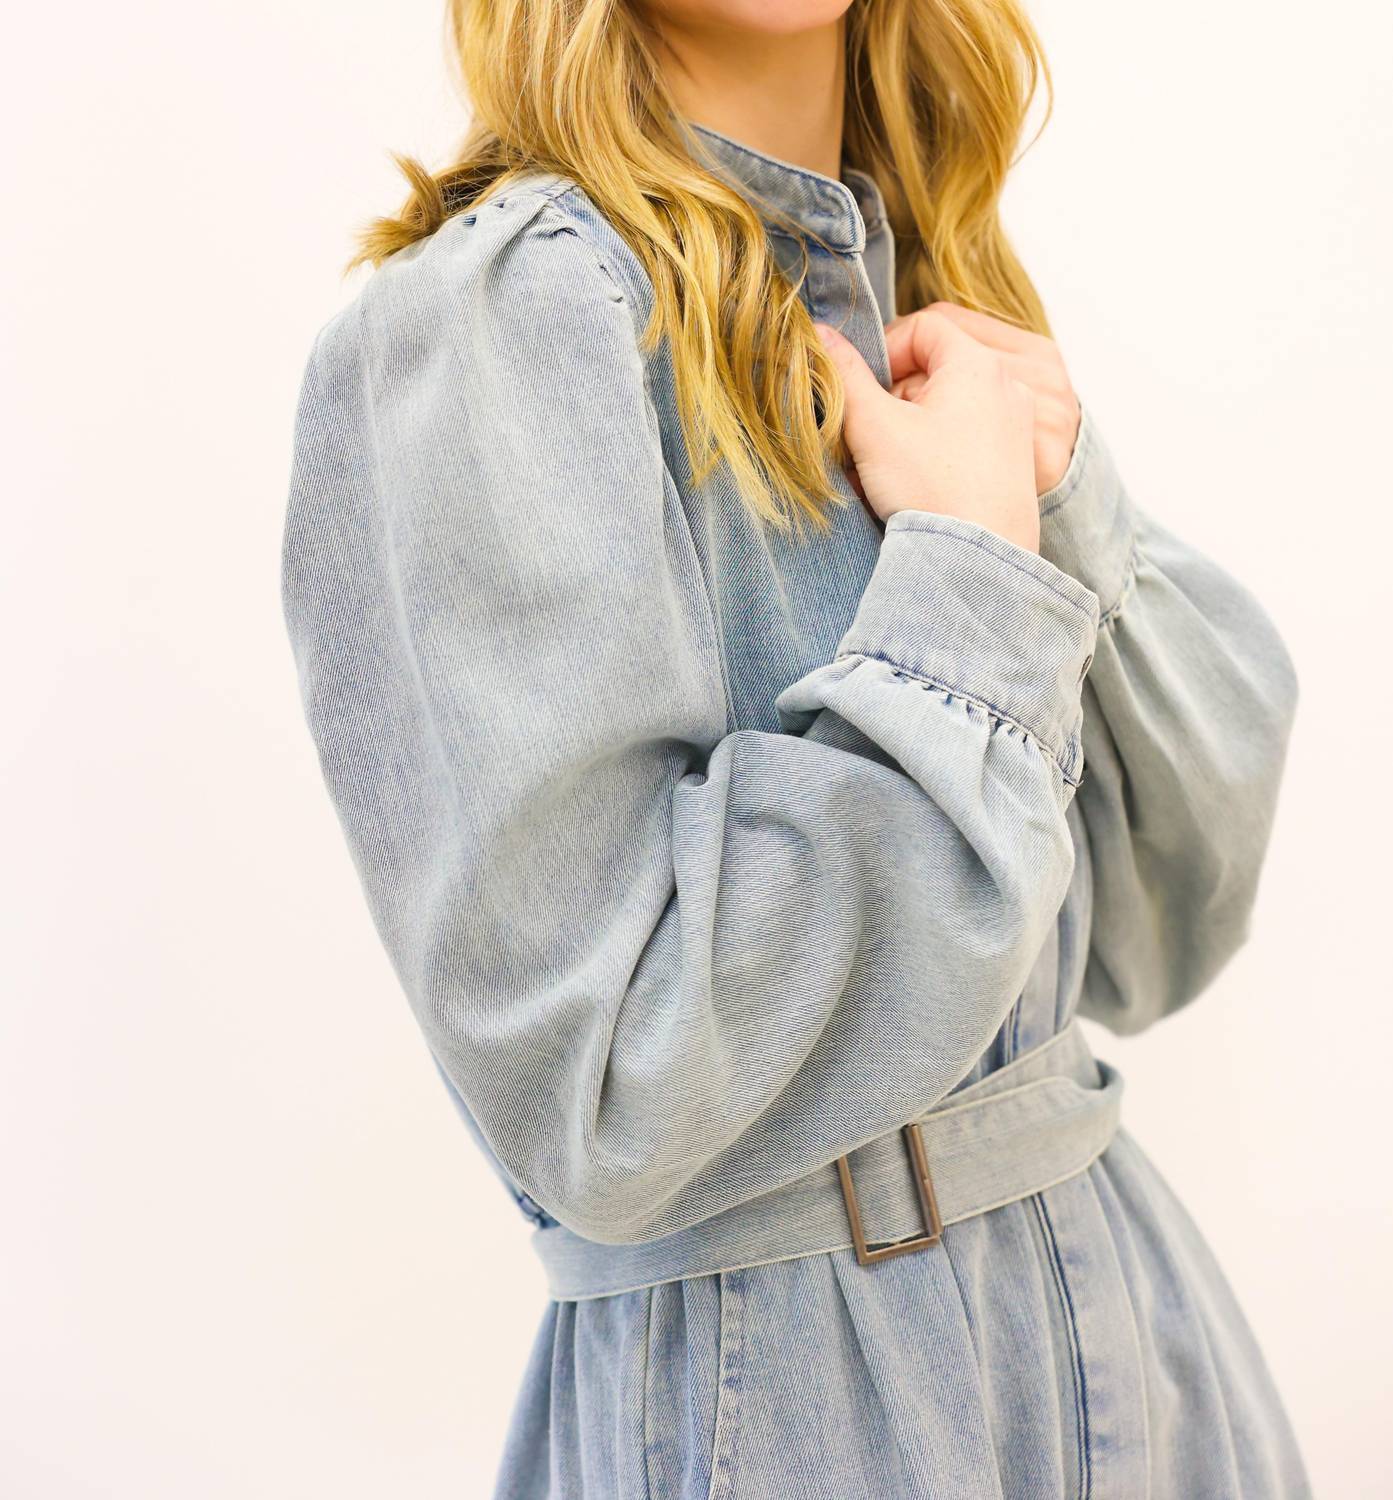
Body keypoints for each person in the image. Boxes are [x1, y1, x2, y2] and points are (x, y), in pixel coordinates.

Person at [279, 0, 1311, 1492]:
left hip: (1135, 1353)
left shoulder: (927, 293)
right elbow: (612, 1098)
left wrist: (1059, 501)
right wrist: (968, 580)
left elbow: (1164, 932)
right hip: (797, 1407)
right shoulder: (498, 326)